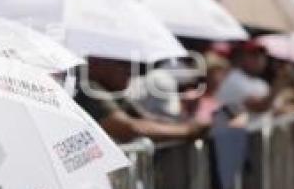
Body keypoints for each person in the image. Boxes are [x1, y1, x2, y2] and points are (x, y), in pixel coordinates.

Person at [74, 55, 208, 143]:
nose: (131, 70)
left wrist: (185, 125)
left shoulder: (110, 89)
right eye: (123, 64)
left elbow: (144, 119)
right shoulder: (88, 88)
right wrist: (187, 130)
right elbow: (130, 128)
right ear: (96, 62)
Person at [216, 40, 292, 116]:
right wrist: (279, 83)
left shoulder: (261, 84)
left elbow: (276, 110)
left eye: (262, 55)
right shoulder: (235, 79)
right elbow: (260, 107)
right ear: (242, 57)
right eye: (254, 55)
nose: (259, 59)